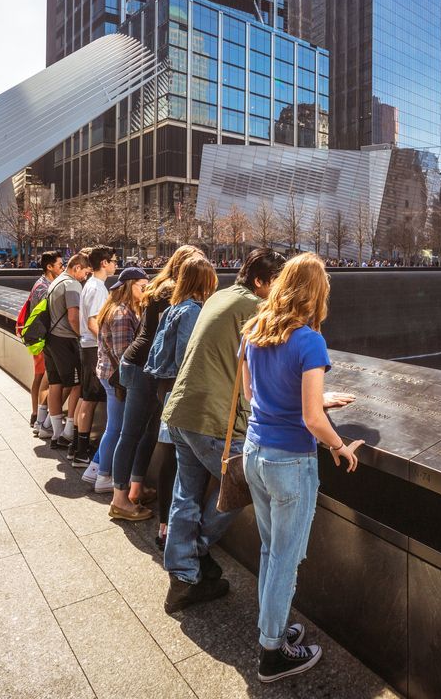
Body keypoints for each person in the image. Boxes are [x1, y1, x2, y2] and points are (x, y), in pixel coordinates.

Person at [241, 252, 362, 683]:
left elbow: (252, 393)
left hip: (253, 453)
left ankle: (270, 627)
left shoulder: (254, 329)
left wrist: (311, 397)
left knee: (270, 551)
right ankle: (272, 654)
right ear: (316, 293)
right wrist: (340, 446)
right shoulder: (309, 341)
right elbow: (312, 420)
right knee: (286, 560)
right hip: (290, 461)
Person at [160, 248, 287, 614]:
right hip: (213, 420)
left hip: (182, 411)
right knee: (247, 482)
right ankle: (195, 551)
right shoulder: (255, 308)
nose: (280, 292)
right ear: (261, 281)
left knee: (187, 490)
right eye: (277, 283)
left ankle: (183, 575)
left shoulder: (221, 296)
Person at [109, 245, 203, 521]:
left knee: (148, 433)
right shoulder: (171, 292)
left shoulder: (160, 286)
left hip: (142, 364)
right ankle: (119, 499)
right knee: (131, 434)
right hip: (143, 368)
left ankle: (135, 490)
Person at [144, 254, 218, 550]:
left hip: (165, 385)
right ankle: (169, 531)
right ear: (203, 281)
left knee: (171, 453)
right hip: (178, 387)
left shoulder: (174, 306)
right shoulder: (190, 311)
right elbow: (186, 356)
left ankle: (166, 527)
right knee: (177, 460)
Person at [85, 266, 148, 492]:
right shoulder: (122, 314)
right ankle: (103, 476)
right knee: (117, 428)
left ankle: (94, 470)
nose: (146, 291)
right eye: (143, 287)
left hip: (107, 374)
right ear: (130, 287)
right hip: (116, 378)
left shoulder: (116, 308)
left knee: (115, 426)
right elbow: (124, 354)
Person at [72, 246, 117, 466]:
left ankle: (76, 446)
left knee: (85, 397)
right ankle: (81, 452)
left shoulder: (90, 285)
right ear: (104, 263)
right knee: (89, 399)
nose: (116, 265)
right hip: (92, 348)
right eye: (114, 261)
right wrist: (108, 345)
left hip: (86, 347)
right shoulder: (98, 288)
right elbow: (93, 322)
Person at [42, 253, 92, 449]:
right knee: (77, 385)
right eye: (85, 273)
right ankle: (69, 431)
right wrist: (83, 335)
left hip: (51, 339)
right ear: (77, 267)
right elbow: (73, 317)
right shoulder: (71, 284)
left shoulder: (56, 281)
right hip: (66, 340)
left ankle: (55, 433)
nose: (85, 277)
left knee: (56, 383)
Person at [22, 252, 63, 435]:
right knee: (41, 376)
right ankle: (36, 415)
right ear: (49, 267)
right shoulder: (42, 287)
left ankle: (36, 415)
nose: (62, 269)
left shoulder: (43, 284)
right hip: (41, 339)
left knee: (40, 376)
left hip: (41, 338)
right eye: (60, 265)